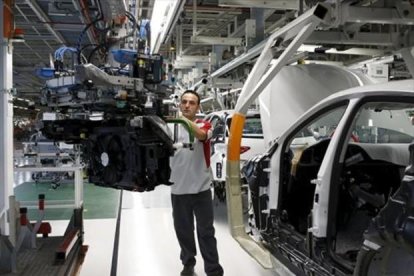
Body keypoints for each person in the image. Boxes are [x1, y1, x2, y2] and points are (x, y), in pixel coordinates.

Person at [169, 90, 224, 276]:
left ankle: (213, 270)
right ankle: (188, 263)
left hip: (201, 189)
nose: (187, 105)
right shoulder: (170, 129)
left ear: (198, 107)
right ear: (179, 104)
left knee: (206, 232)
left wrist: (182, 120)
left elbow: (202, 135)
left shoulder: (204, 124)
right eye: (184, 102)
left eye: (192, 103)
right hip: (178, 189)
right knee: (183, 232)